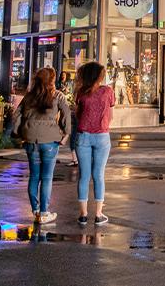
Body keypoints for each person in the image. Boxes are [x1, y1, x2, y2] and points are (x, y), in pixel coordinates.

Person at [17, 67, 71, 224]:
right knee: (47, 177)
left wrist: (19, 133)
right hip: (50, 140)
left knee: (34, 176)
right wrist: (65, 134)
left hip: (30, 139)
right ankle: (44, 212)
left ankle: (35, 210)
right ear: (52, 80)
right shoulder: (57, 95)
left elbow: (17, 114)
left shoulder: (29, 96)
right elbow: (66, 114)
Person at [74, 61, 115, 226]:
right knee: (99, 175)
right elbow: (111, 116)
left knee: (84, 176)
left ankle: (83, 214)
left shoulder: (81, 93)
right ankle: (98, 214)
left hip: (83, 136)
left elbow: (78, 114)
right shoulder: (108, 91)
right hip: (102, 136)